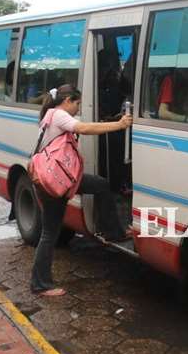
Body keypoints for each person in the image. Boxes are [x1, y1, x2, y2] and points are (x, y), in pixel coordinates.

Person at [31, 84, 132, 297]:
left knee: (100, 185)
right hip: (54, 183)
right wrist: (119, 124)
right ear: (67, 101)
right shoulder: (58, 115)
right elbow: (84, 129)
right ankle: (40, 284)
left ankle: (113, 232)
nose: (78, 108)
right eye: (77, 104)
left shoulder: (51, 113)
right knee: (49, 234)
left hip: (60, 178)